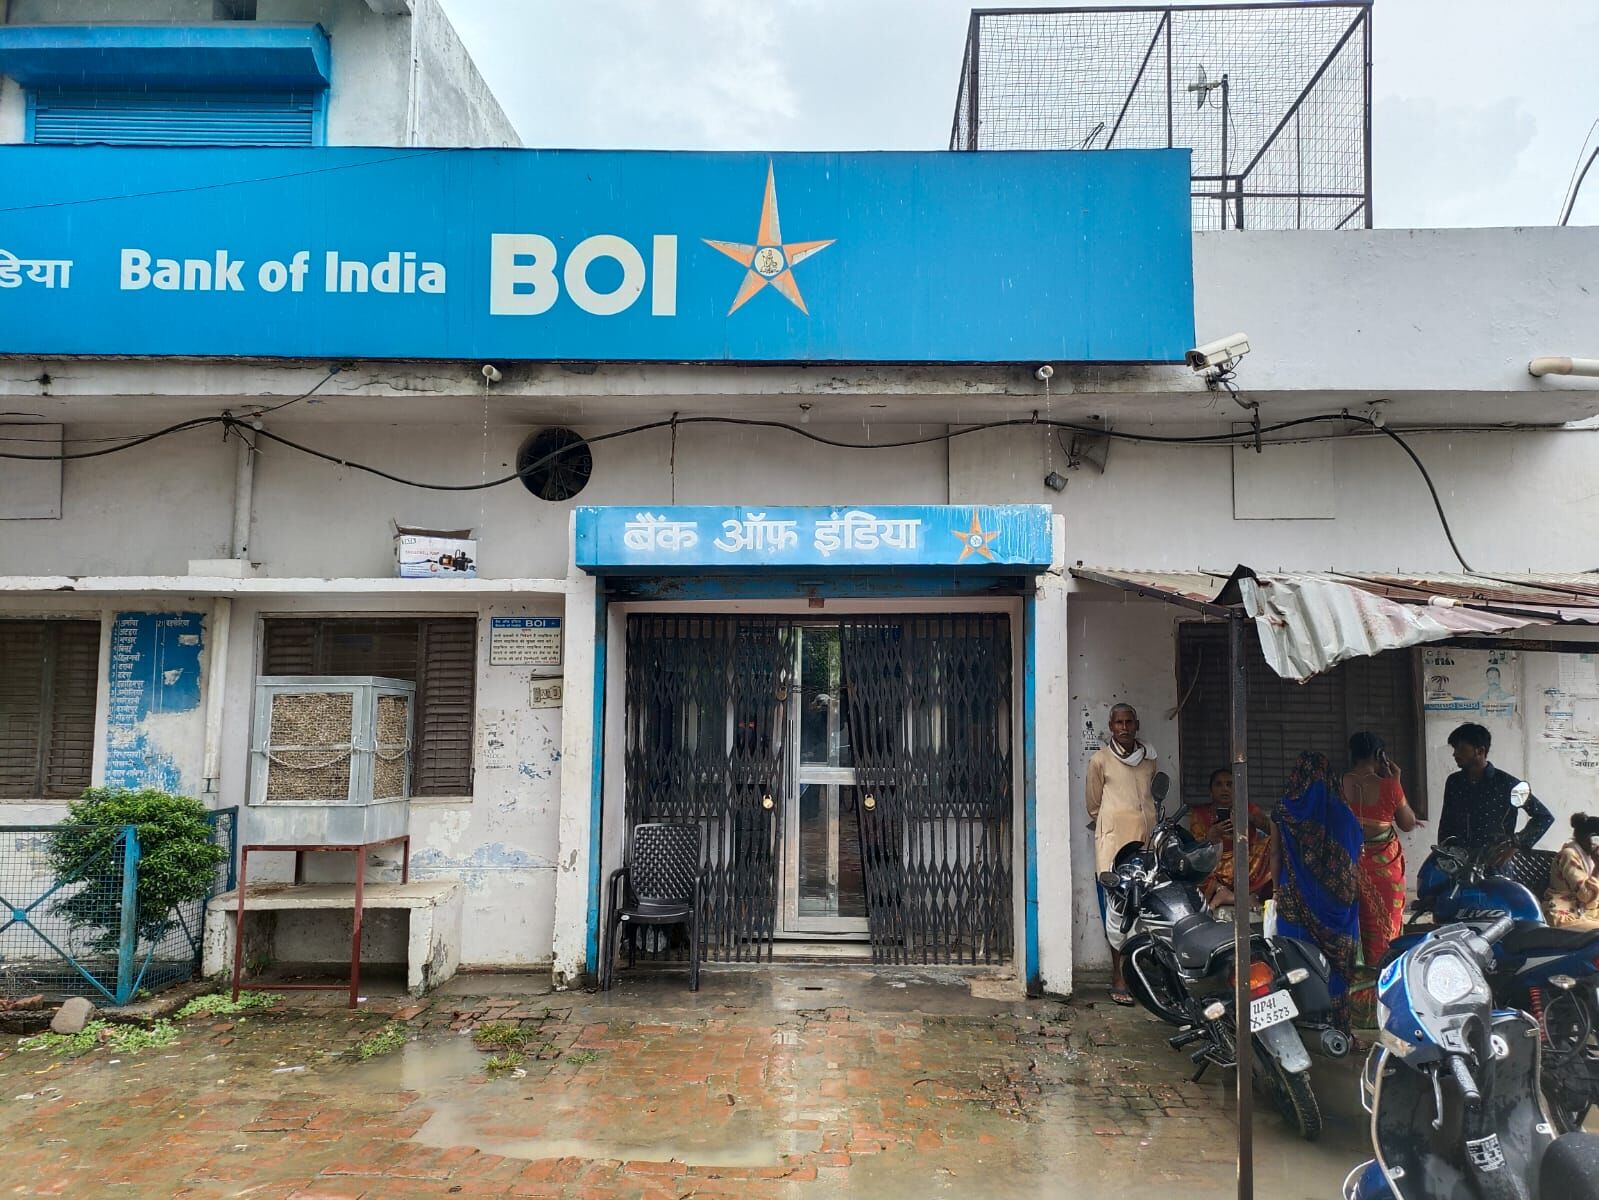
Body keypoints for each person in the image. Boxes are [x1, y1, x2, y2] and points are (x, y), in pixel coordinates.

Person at [1271, 750, 1362, 1031]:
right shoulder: (1344, 813)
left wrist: (1276, 890)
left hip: (1293, 899)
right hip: (1336, 906)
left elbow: (1275, 855)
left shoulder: (1284, 810)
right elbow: (1355, 856)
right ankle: (1339, 1029)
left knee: (1296, 961)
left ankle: (1299, 1028)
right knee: (1335, 967)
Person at [1085, 703, 1158, 1007]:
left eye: (1129, 721)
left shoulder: (1149, 760)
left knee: (1147, 911)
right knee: (1117, 914)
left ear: (1136, 724)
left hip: (1145, 846)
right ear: (1111, 726)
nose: (1124, 727)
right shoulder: (1100, 760)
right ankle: (1118, 975)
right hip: (1113, 848)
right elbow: (1092, 804)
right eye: (1119, 723)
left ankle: (1141, 974)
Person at [1342, 732, 1420, 966]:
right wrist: (1396, 779)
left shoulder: (1338, 784)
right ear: (1379, 755)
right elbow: (1408, 824)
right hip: (1383, 872)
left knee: (1350, 928)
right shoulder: (1390, 786)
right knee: (1383, 933)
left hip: (1347, 867)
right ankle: (1380, 981)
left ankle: (1354, 989)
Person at [1438, 723, 1554, 851]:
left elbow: (1544, 817)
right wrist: (1443, 853)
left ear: (1480, 751)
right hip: (1458, 862)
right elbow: (1446, 824)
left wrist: (1516, 843)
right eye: (1455, 749)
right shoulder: (1454, 782)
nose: (1455, 754)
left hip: (1495, 863)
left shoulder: (1508, 784)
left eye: (1461, 749)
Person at [1188, 766, 1272, 910]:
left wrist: (1249, 818)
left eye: (1229, 784)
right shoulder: (1199, 813)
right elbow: (1195, 850)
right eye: (1219, 784)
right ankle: (1225, 893)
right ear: (1211, 791)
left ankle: (1253, 894)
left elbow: (1271, 829)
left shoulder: (1248, 809)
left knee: (1275, 844)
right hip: (1216, 867)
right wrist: (1211, 836)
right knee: (1190, 864)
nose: (1224, 789)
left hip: (1246, 863)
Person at [1544, 812, 1599, 931]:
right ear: (1590, 839)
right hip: (1565, 914)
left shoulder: (1590, 857)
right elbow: (1586, 896)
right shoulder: (1569, 855)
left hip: (1587, 912)